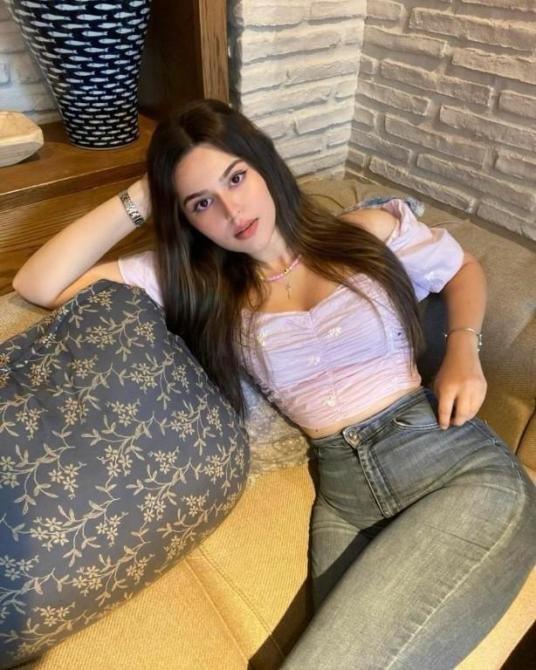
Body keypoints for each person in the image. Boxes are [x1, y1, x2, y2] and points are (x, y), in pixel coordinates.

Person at [13, 99, 535, 669]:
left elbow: (462, 267)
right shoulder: (195, 285)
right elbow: (39, 284)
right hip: (346, 498)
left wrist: (463, 349)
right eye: (201, 202)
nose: (231, 209)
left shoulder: (365, 231)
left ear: (263, 164)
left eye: (235, 177)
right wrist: (147, 194)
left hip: (448, 462)